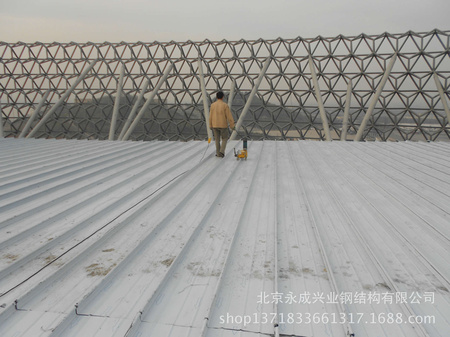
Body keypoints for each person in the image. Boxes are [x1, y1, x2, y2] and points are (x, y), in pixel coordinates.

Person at [209, 91, 235, 157]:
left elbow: (210, 116)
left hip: (215, 124)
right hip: (223, 125)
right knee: (224, 138)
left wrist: (210, 125)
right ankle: (222, 151)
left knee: (217, 139)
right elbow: (229, 116)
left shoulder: (212, 105)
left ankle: (218, 153)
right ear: (223, 97)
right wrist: (232, 125)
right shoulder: (225, 105)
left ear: (216, 97)